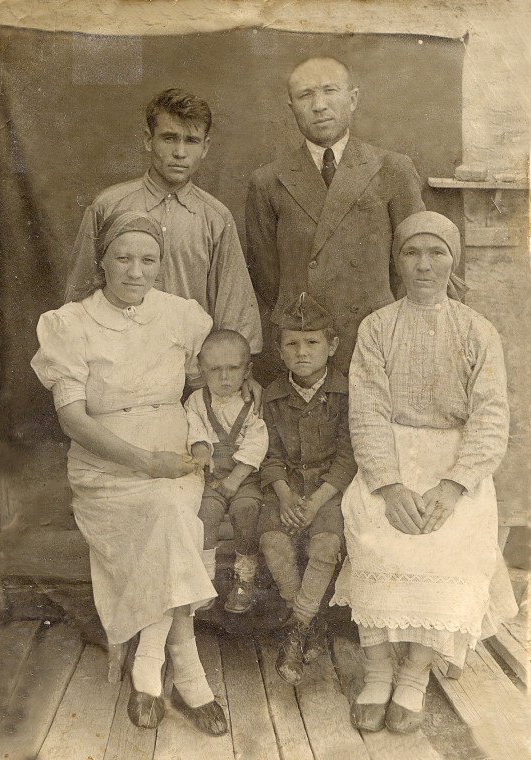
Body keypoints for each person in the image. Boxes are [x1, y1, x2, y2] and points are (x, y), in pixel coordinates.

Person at [31, 210, 228, 736]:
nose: (135, 271)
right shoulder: (70, 324)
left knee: (170, 509)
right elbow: (73, 420)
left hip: (174, 451)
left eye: (148, 260)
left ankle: (149, 665)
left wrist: (208, 424)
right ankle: (187, 670)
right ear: (102, 262)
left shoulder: (181, 315)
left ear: (161, 264)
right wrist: (144, 462)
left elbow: (208, 384)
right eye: (122, 258)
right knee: (169, 515)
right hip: (105, 465)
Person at [331, 211, 518, 734]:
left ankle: (414, 672)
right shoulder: (377, 327)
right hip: (390, 459)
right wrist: (389, 486)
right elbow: (366, 412)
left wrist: (454, 487)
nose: (424, 265)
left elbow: (491, 417)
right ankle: (377, 669)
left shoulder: (477, 330)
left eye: (437, 253)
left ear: (453, 260)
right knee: (372, 526)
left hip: (455, 466)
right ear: (397, 261)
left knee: (449, 540)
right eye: (412, 253)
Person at [246, 56, 425, 378]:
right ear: (291, 107)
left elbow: (416, 260)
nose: (319, 105)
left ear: (353, 99)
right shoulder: (268, 181)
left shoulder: (392, 169)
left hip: (374, 338)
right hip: (306, 346)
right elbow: (266, 276)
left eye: (330, 91)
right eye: (305, 95)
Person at [65, 87, 262, 360]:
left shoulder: (216, 218)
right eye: (169, 138)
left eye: (191, 141)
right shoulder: (108, 206)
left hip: (189, 365)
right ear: (149, 140)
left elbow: (235, 309)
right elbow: (79, 296)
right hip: (117, 362)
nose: (180, 152)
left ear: (205, 147)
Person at [258, 293, 356, 685]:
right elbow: (268, 454)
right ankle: (309, 623)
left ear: (332, 346)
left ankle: (296, 629)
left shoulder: (345, 394)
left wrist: (315, 502)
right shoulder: (272, 396)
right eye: (292, 343)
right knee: (272, 542)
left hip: (328, 491)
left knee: (326, 545)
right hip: (286, 488)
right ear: (279, 351)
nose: (302, 352)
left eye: (312, 342)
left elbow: (348, 458)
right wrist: (284, 495)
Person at [185, 330, 269, 613]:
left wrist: (235, 478)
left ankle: (244, 577)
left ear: (248, 370)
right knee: (206, 512)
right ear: (201, 370)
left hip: (244, 476)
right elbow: (193, 426)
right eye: (215, 370)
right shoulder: (196, 401)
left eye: (233, 369)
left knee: (246, 509)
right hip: (211, 476)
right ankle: (205, 578)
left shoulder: (252, 403)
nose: (224, 378)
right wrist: (201, 449)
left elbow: (258, 442)